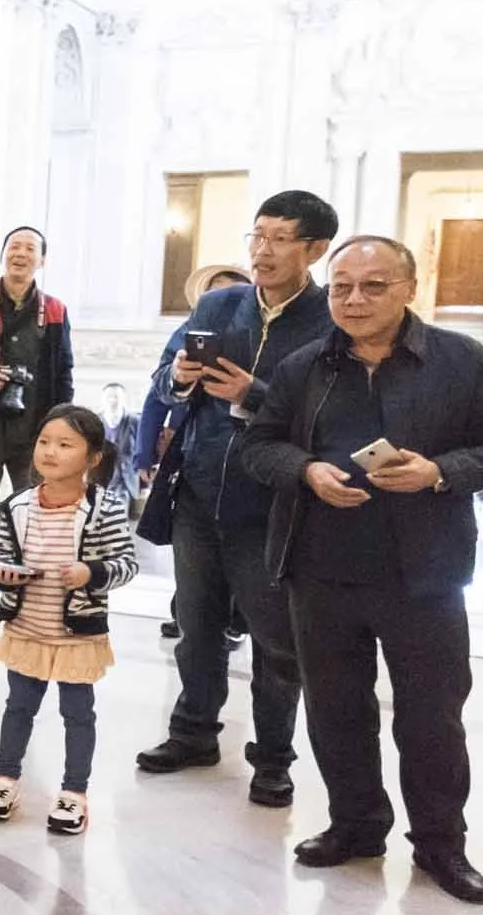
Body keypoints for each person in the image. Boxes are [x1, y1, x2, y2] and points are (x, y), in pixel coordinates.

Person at [240, 237, 483, 905]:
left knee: (432, 718)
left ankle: (441, 845)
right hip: (321, 569)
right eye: (341, 287)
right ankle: (356, 826)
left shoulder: (461, 361)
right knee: (336, 711)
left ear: (409, 288)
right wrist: (306, 470)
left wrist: (439, 472)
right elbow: (259, 445)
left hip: (426, 575)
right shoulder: (306, 365)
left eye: (373, 286)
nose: (354, 300)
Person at [135, 191, 338, 808]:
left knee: (277, 643)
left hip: (274, 506)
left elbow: (332, 419)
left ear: (315, 249)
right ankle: (193, 732)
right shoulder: (219, 305)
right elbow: (161, 385)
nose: (262, 251)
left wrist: (255, 394)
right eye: (257, 236)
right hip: (199, 493)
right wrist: (177, 379)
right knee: (196, 629)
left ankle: (272, 759)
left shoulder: (329, 322)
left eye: (279, 238)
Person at [0, 405, 139, 835]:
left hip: (76, 636)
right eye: (44, 442)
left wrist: (92, 572)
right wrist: (3, 573)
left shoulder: (105, 508)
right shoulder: (17, 506)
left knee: (77, 713)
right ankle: (5, 778)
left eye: (65, 445)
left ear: (93, 458)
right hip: (27, 629)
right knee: (18, 707)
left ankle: (74, 791)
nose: (50, 452)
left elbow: (126, 564)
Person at [0, 226, 74, 608]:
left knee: (34, 507)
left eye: (29, 248)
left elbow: (64, 370)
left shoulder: (54, 310)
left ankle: (27, 580)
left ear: (42, 260)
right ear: (3, 254)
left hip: (36, 427)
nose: (20, 254)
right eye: (14, 246)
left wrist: (62, 425)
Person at [139, 263, 249, 642]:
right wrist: (144, 454)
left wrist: (250, 392)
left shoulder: (265, 332)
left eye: (232, 292)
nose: (222, 300)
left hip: (252, 461)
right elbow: (158, 392)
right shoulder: (187, 333)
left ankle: (235, 621)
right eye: (214, 293)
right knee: (192, 554)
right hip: (194, 456)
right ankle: (186, 616)